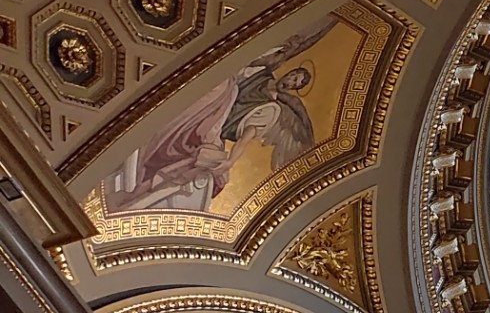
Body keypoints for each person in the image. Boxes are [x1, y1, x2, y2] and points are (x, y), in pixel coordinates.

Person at [111, 21, 330, 213]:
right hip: (206, 103)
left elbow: (246, 135)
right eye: (293, 76)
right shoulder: (260, 72)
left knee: (223, 94)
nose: (290, 82)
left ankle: (146, 177)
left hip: (215, 125)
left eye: (295, 84)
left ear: (294, 90)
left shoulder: (271, 109)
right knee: (222, 85)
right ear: (290, 72)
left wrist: (231, 161)